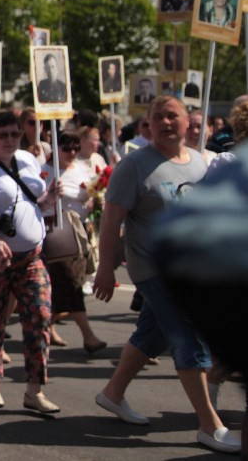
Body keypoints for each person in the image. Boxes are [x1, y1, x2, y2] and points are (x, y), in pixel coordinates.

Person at [92, 96, 240, 454]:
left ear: (188, 122)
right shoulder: (134, 165)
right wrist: (104, 268)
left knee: (151, 336)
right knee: (189, 338)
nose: (165, 122)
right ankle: (209, 425)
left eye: (171, 116)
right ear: (149, 125)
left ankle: (112, 393)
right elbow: (111, 222)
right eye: (157, 117)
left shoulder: (200, 163)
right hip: (153, 270)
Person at [0, 110, 60, 413]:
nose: (9, 140)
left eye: (14, 134)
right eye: (1, 135)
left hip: (31, 259)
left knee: (40, 318)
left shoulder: (28, 161)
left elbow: (33, 202)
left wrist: (48, 202)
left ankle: (35, 389)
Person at [48, 129, 107, 353]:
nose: (72, 152)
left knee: (64, 285)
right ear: (56, 148)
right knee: (71, 284)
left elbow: (93, 195)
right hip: (57, 234)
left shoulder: (82, 169)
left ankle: (46, 327)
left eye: (75, 147)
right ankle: (88, 336)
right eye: (66, 148)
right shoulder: (46, 171)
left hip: (79, 233)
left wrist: (94, 201)